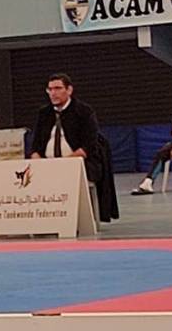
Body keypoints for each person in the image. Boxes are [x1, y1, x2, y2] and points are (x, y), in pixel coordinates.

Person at [30, 73, 119, 222]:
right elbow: (35, 145)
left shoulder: (84, 111)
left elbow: (89, 146)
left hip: (79, 163)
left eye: (58, 88)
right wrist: (38, 160)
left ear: (69, 90)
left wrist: (66, 163)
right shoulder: (43, 113)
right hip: (47, 165)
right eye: (50, 89)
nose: (53, 93)